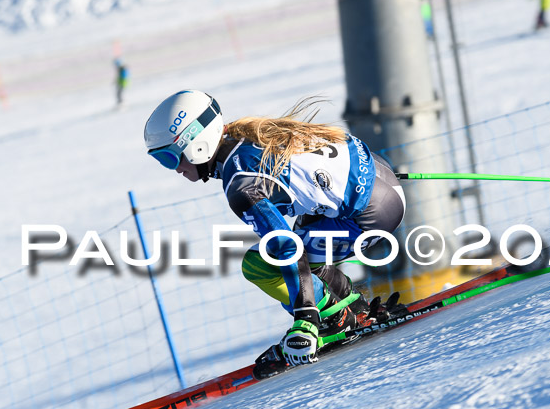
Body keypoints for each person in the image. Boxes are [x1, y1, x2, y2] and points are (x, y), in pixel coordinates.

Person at [143, 90, 406, 369]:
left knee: (259, 265)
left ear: (195, 145)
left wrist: (305, 317)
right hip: (380, 180)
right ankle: (354, 309)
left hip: (368, 217)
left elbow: (287, 248)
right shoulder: (244, 138)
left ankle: (333, 319)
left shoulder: (241, 185)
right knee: (305, 250)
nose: (175, 170)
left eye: (169, 159)